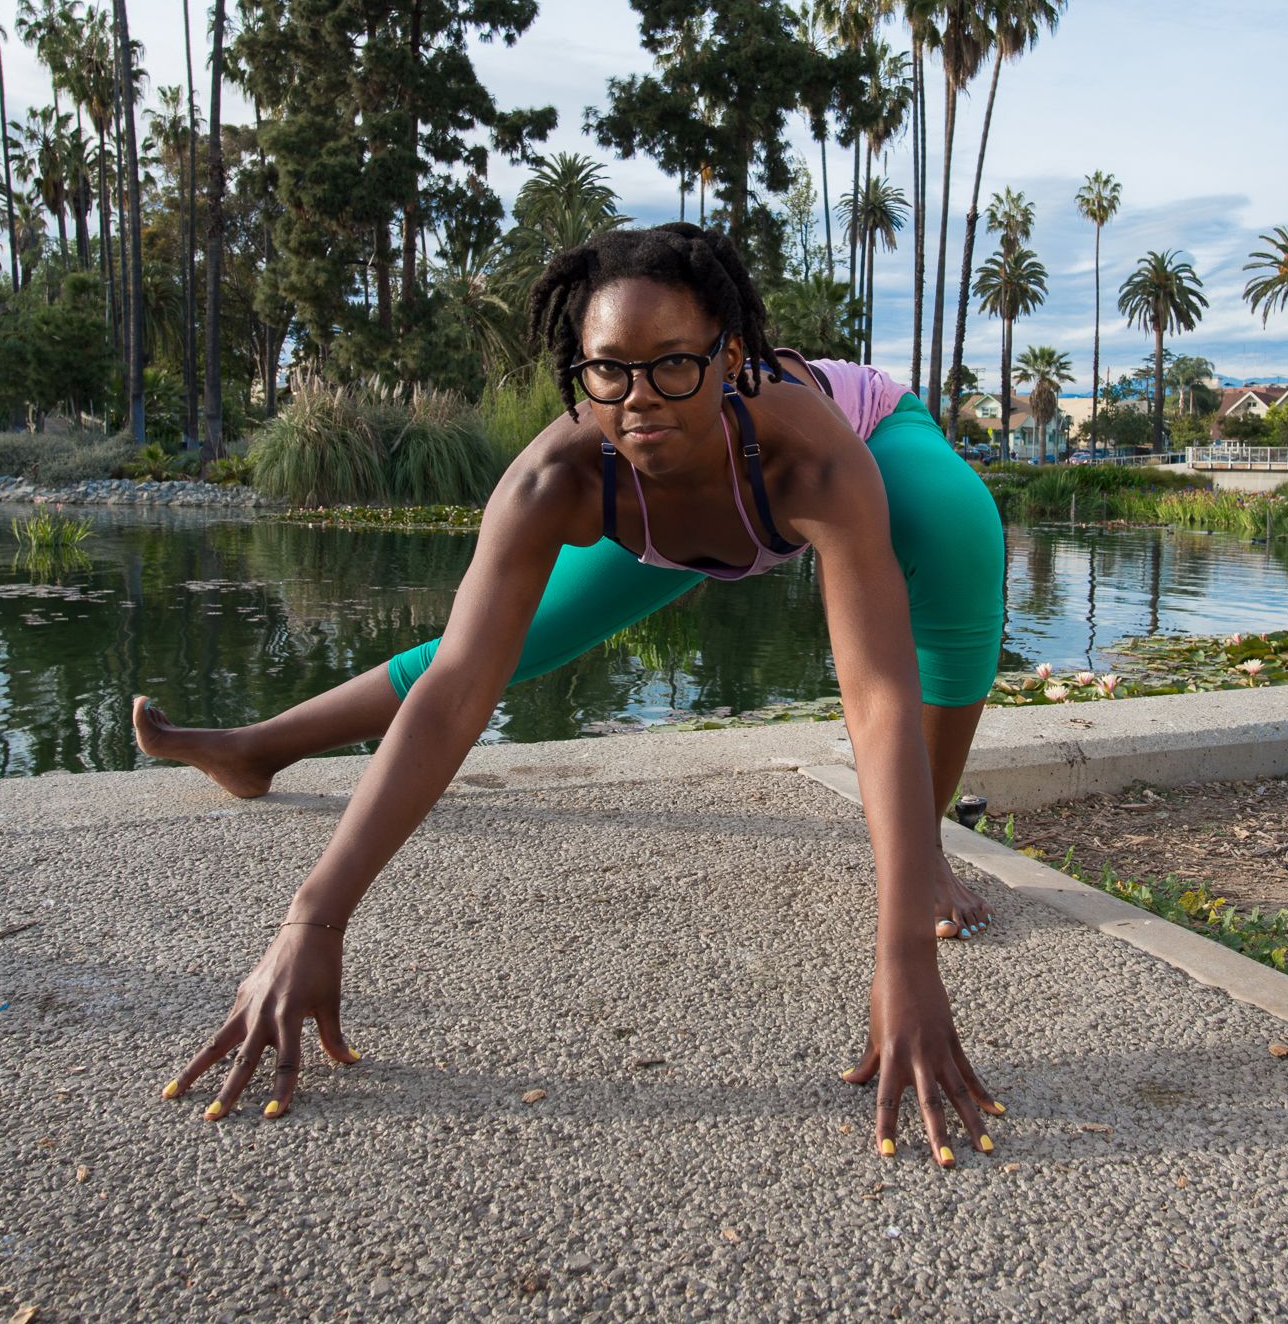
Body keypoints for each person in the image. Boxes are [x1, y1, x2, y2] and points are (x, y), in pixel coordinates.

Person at [134, 223, 1009, 1165]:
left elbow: (875, 694)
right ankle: (263, 746)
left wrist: (901, 958)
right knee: (503, 646)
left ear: (732, 358)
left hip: (862, 443)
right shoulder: (559, 474)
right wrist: (314, 916)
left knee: (961, 535)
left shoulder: (815, 455)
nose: (640, 400)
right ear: (578, 369)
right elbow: (455, 691)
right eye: (610, 370)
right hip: (676, 514)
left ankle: (923, 854)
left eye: (674, 364)